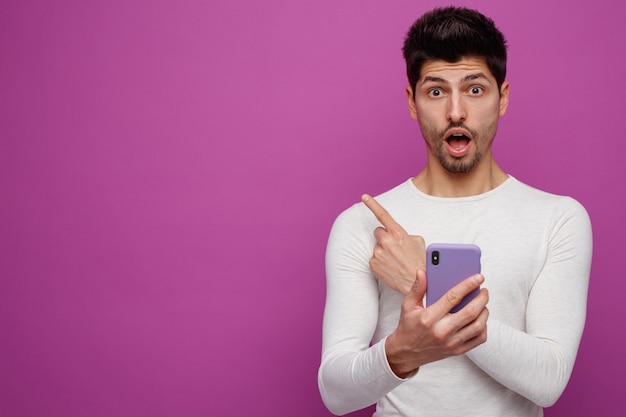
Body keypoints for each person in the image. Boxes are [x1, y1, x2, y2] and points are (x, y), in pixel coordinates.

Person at [318, 6, 592, 417]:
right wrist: (401, 351)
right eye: (435, 91)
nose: (456, 112)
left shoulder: (558, 219)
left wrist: (424, 283)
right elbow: (336, 393)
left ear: (503, 98)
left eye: (475, 89)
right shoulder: (363, 225)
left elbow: (547, 382)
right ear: (412, 102)